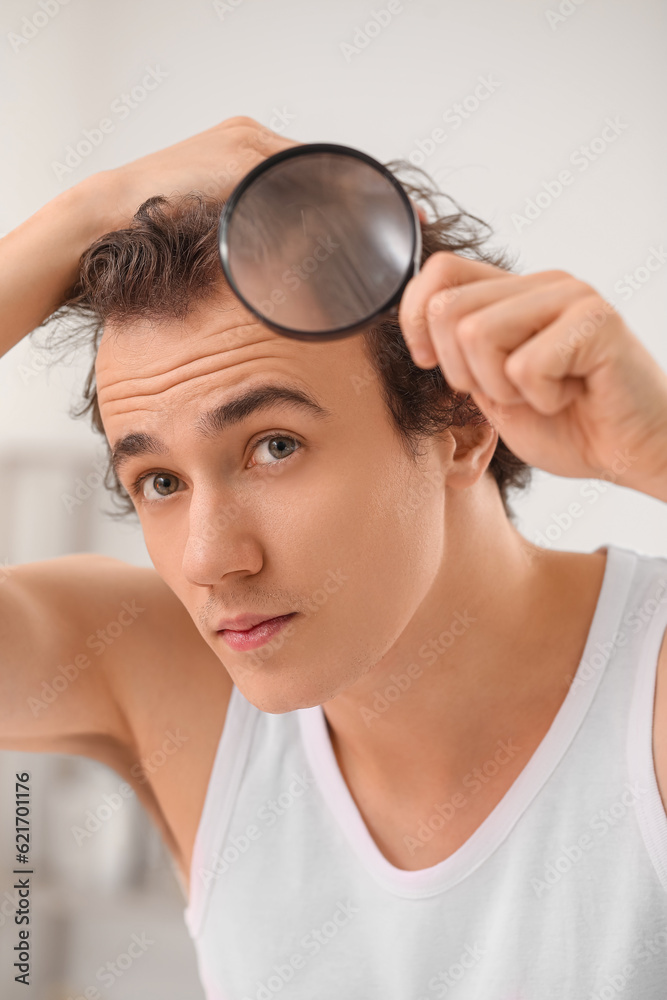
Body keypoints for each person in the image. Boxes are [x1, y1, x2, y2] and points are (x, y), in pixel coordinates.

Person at [2, 115, 667, 998]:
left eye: (273, 446)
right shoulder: (160, 674)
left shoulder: (646, 697)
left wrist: (658, 449)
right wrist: (85, 211)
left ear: (463, 425)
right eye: (160, 481)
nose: (209, 559)